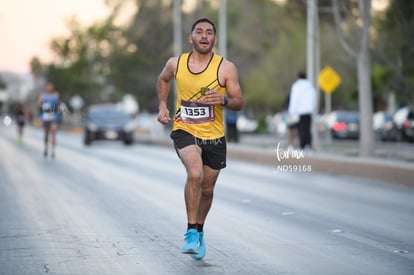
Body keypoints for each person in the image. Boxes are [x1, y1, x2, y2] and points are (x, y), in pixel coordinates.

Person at [157, 18, 243, 259]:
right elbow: (163, 79)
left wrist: (224, 100)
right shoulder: (176, 64)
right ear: (191, 37)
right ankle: (191, 232)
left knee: (207, 188)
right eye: (199, 32)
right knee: (194, 174)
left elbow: (239, 101)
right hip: (185, 129)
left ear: (214, 39)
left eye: (209, 33)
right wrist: (163, 105)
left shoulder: (226, 68)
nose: (204, 36)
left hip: (214, 136)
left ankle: (200, 229)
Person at [288, 72, 316, 150]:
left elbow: (294, 99)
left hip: (300, 111)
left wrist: (291, 110)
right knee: (307, 129)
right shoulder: (310, 86)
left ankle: (302, 145)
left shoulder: (296, 86)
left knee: (301, 130)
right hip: (309, 111)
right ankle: (308, 145)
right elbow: (313, 98)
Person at [37, 82, 60, 158]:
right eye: (48, 86)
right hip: (45, 116)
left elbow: (58, 104)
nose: (50, 88)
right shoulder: (43, 96)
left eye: (51, 86)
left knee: (53, 132)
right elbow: (39, 105)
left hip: (54, 117)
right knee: (46, 134)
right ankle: (46, 148)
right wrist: (44, 106)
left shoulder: (55, 95)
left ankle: (53, 151)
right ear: (46, 87)